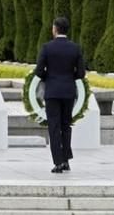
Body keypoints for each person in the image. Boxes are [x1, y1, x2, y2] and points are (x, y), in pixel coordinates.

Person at [35, 16, 86, 174]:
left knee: (54, 127)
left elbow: (38, 71)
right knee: (66, 125)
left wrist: (48, 78)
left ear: (55, 29)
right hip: (68, 91)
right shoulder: (75, 48)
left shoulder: (47, 47)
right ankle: (65, 161)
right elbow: (81, 73)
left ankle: (57, 162)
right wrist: (70, 77)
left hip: (52, 92)